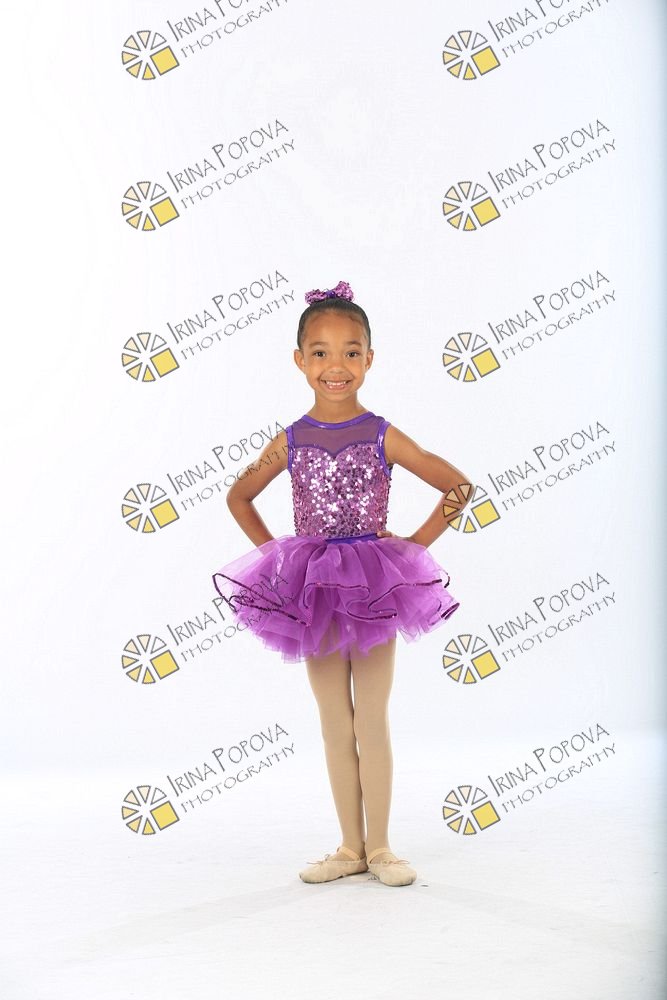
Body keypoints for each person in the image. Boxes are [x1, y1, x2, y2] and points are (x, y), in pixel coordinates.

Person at [212, 280, 474, 887]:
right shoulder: (291, 439)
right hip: (312, 595)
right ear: (300, 361)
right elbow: (239, 495)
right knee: (334, 718)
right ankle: (349, 847)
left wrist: (411, 548)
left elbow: (458, 486)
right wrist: (278, 560)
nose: (337, 365)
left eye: (351, 352)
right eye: (321, 352)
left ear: (370, 359)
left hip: (374, 589)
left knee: (370, 717)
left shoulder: (382, 433)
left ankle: (381, 847)